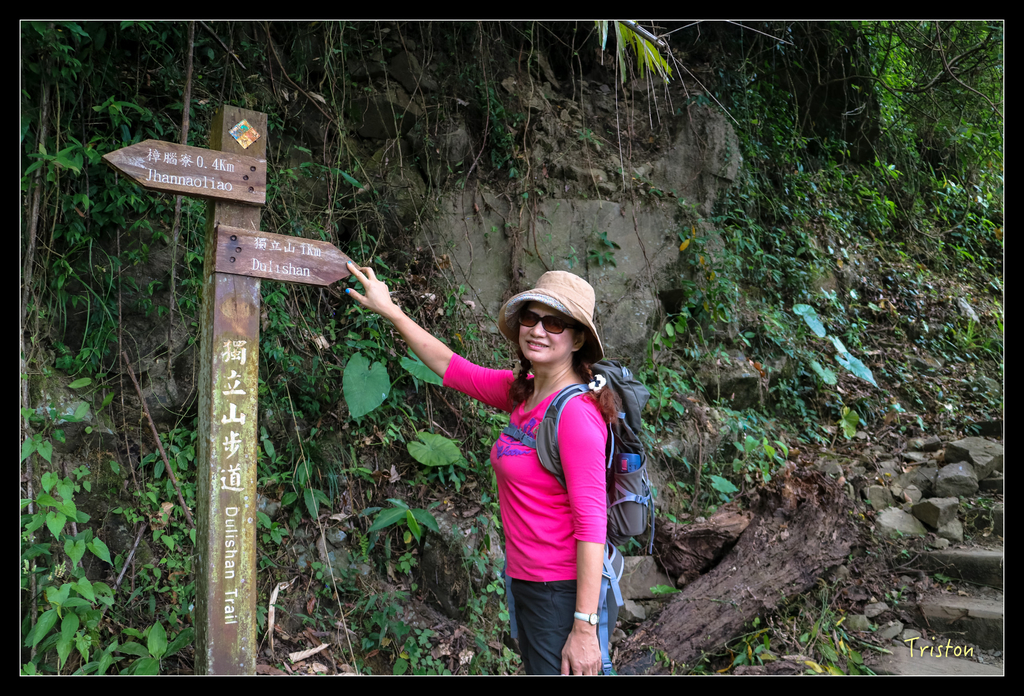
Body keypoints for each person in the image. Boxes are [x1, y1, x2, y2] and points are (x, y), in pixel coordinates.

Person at [344, 262, 619, 675]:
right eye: (531, 317)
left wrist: (584, 626)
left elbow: (592, 523)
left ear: (578, 338)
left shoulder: (576, 416)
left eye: (555, 323)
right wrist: (393, 312)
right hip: (526, 582)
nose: (538, 330)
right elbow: (452, 368)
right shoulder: (525, 395)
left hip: (560, 593)